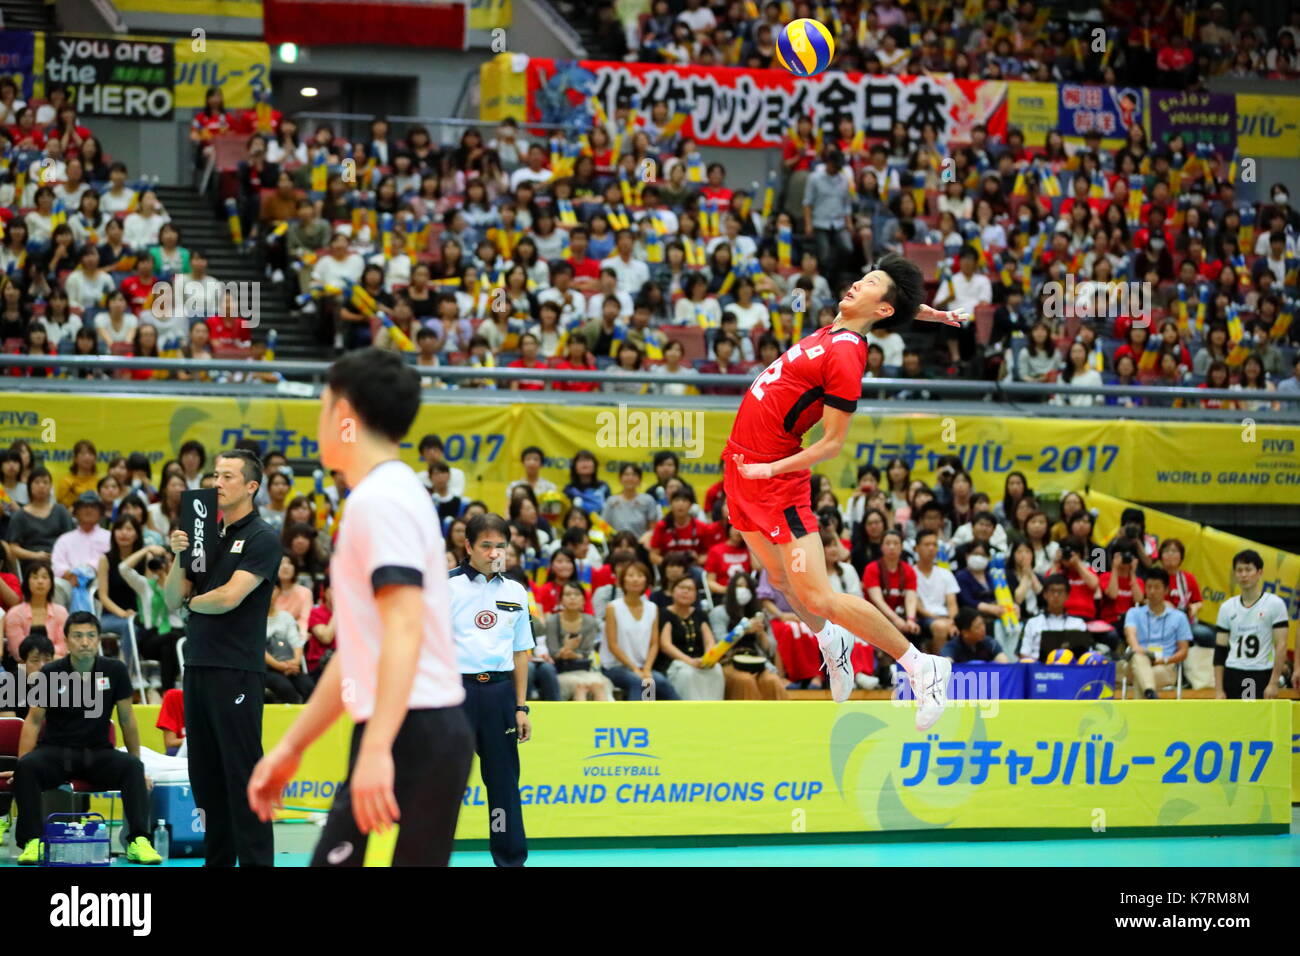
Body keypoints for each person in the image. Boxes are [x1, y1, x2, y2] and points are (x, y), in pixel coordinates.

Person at [249, 349, 474, 867]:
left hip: (412, 730)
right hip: (406, 726)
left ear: (343, 415)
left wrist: (378, 748)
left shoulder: (382, 501)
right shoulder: (388, 494)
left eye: (322, 405)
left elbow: (404, 627)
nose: (318, 418)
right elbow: (359, 655)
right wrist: (292, 748)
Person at [724, 254, 967, 724]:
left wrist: (770, 471)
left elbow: (831, 445)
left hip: (775, 481)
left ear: (881, 310)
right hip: (743, 470)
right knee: (778, 580)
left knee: (818, 596)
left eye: (871, 284)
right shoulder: (839, 324)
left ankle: (922, 667)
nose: (857, 283)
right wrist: (932, 313)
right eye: (863, 276)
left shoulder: (846, 354)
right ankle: (830, 640)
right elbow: (895, 307)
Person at [163, 448, 282, 867]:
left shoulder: (262, 538)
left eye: (228, 476)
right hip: (197, 666)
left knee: (243, 775)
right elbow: (168, 598)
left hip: (236, 671)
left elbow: (229, 598)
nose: (218, 482)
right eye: (215, 475)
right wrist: (180, 558)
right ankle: (217, 861)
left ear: (251, 486)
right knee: (206, 778)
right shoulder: (205, 536)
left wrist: (189, 605)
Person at [11, 612, 163, 864]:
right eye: (78, 636)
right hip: (57, 752)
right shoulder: (50, 672)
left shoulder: (115, 670)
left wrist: (140, 766)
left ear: (98, 640)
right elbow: (34, 721)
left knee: (133, 767)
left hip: (97, 753)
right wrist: (20, 763)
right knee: (27, 767)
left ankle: (138, 840)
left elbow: (127, 721)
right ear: (67, 640)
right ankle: (32, 842)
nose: (85, 642)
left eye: (91, 636)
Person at [446, 513, 534, 867]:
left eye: (501, 545)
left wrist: (521, 706)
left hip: (499, 695)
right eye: (486, 545)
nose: (494, 552)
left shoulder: (516, 591)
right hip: (454, 695)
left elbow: (520, 652)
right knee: (442, 784)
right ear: (468, 546)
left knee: (503, 786)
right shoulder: (445, 588)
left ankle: (510, 859)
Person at [1214, 549, 1288, 701]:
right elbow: (1220, 651)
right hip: (1233, 672)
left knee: (1257, 722)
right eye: (1239, 570)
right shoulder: (1227, 607)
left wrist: (1273, 683)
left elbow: (1281, 645)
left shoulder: (1275, 604)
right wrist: (1218, 689)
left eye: (1248, 569)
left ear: (1259, 572)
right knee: (1234, 722)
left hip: (1261, 672)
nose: (1243, 574)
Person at [603, 560, 678, 700]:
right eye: (630, 575)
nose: (635, 579)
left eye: (640, 575)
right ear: (622, 580)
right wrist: (635, 669)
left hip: (644, 666)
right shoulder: (613, 607)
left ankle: (681, 718)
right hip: (616, 667)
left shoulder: (652, 608)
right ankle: (637, 721)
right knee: (640, 682)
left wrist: (647, 668)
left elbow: (654, 643)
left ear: (647, 580)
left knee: (660, 682)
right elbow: (613, 645)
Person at [1119, 567, 1190, 700]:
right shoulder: (1134, 613)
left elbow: (1184, 651)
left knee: (1141, 679)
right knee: (1138, 657)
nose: (1151, 591)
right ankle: (1151, 693)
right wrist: (1141, 652)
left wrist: (1163, 660)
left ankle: (1147, 695)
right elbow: (1131, 638)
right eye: (1149, 587)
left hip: (1165, 665)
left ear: (1166, 590)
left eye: (1156, 587)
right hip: (1137, 662)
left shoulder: (1179, 617)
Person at [656, 574, 725, 700]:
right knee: (688, 673)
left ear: (695, 595)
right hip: (676, 663)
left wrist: (707, 658)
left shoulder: (700, 614)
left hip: (700, 660)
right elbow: (666, 645)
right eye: (681, 587)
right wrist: (689, 661)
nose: (685, 591)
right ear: (672, 592)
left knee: (716, 670)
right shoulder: (664, 613)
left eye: (690, 589)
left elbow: (709, 640)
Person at [543, 581, 613, 701]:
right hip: (560, 672)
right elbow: (553, 653)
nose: (572, 598)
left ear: (584, 600)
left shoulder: (590, 621)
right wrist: (565, 650)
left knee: (600, 685)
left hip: (583, 670)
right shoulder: (552, 621)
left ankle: (605, 719)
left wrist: (569, 652)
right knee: (580, 686)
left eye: (576, 594)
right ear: (560, 600)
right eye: (568, 594)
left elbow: (585, 653)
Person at [1017, 574, 1088, 661]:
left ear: (1067, 595)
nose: (1056, 595)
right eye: (1052, 591)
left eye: (1060, 591)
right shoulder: (1032, 622)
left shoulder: (1078, 623)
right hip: (1039, 670)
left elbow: (1085, 655)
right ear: (1045, 594)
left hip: (1071, 670)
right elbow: (1023, 654)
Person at [912, 529, 959, 654]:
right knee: (940, 626)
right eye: (927, 544)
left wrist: (954, 622)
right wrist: (940, 619)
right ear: (916, 548)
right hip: (923, 618)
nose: (931, 548)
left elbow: (952, 603)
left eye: (934, 545)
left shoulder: (946, 573)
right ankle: (938, 667)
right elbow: (917, 606)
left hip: (945, 617)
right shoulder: (910, 573)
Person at [942, 607, 1010, 663]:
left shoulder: (989, 641)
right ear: (965, 632)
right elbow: (946, 662)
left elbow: (1003, 662)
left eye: (983, 623)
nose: (983, 629)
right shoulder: (952, 646)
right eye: (977, 627)